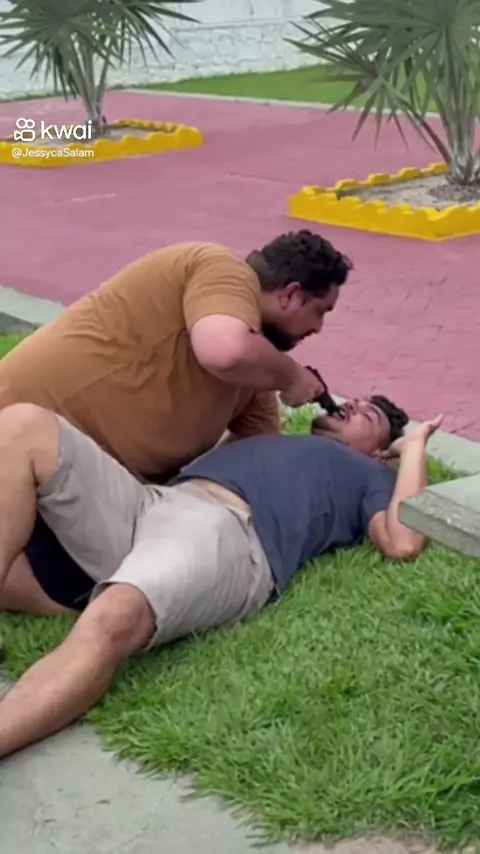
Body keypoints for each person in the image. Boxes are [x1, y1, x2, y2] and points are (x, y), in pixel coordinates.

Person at [0, 396, 442, 760]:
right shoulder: (274, 437)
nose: (353, 404)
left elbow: (403, 541)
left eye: (369, 414)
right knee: (26, 424)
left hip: (226, 531)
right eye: (358, 400)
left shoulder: (369, 473)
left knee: (114, 614)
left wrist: (414, 446)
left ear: (379, 451)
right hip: (154, 503)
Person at [0, 230, 352, 603]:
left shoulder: (253, 383)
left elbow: (257, 466)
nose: (318, 328)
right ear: (290, 294)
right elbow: (224, 349)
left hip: (78, 504)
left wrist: (331, 456)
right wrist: (292, 376)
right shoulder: (220, 269)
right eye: (321, 311)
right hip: (18, 453)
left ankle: (54, 601)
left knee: (94, 580)